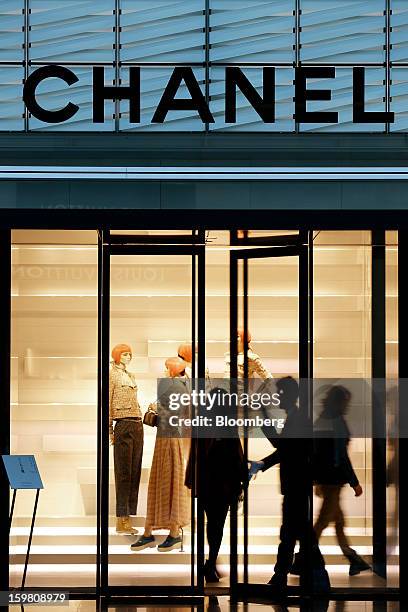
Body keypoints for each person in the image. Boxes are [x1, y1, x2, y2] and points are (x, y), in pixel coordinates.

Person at [249, 376, 330, 595]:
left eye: (281, 394)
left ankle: (283, 576)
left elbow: (284, 448)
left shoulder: (298, 419)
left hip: (296, 485)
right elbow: (285, 449)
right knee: (298, 534)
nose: (278, 398)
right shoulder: (297, 418)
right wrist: (263, 463)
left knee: (292, 534)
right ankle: (298, 575)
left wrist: (264, 419)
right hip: (296, 485)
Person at [185, 388, 248, 583]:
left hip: (211, 482)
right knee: (216, 525)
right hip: (219, 483)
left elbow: (196, 455)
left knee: (212, 524)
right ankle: (210, 563)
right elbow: (236, 455)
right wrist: (241, 482)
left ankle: (210, 563)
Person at [131, 356, 190, 552]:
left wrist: (155, 407)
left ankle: (168, 532)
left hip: (169, 441)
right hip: (167, 440)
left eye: (166, 368)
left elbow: (171, 415)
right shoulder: (178, 386)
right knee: (163, 482)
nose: (164, 371)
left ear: (172, 370)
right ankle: (154, 531)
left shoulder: (176, 388)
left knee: (167, 482)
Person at [312, 385, 371, 577]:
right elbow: (341, 456)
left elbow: (318, 454)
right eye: (345, 401)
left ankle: (353, 559)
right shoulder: (336, 422)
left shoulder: (323, 420)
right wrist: (354, 482)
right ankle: (303, 557)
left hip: (327, 480)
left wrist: (316, 480)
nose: (347, 405)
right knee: (323, 522)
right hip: (333, 481)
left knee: (337, 521)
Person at [109, 343, 143, 535]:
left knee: (134, 472)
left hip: (137, 423)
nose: (128, 357)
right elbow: (106, 402)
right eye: (124, 354)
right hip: (122, 424)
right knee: (123, 473)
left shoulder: (131, 376)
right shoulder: (111, 374)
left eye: (130, 354)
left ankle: (128, 516)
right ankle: (122, 519)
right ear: (116, 355)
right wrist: (110, 432)